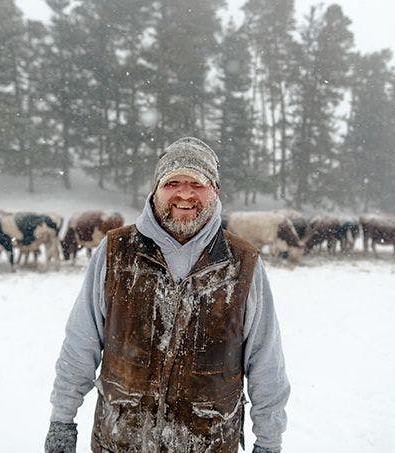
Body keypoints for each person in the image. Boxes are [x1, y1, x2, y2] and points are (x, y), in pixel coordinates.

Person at [45, 137, 290, 452]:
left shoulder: (242, 263)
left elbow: (266, 361)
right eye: (172, 182)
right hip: (120, 441)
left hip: (208, 443)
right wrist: (61, 420)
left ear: (215, 191)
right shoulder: (116, 252)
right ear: (155, 189)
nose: (184, 194)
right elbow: (80, 343)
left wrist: (269, 442)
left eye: (197, 184)